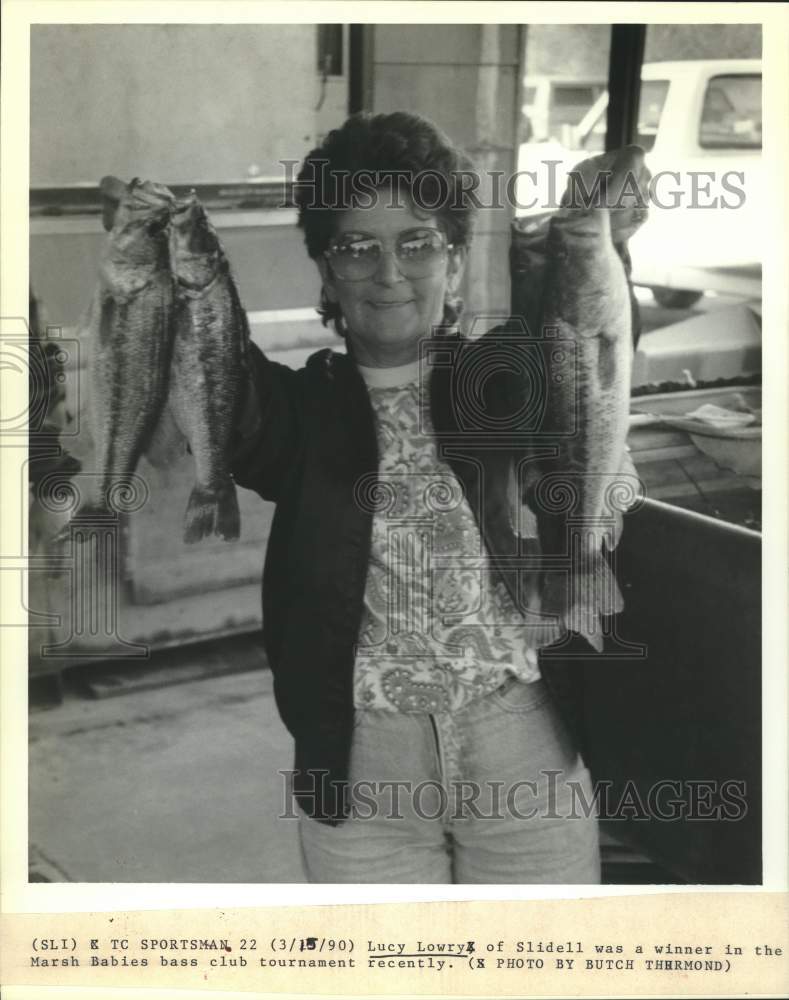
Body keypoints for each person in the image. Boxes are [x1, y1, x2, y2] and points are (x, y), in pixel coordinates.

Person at [230, 111, 639, 883]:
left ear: (454, 264)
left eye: (418, 242)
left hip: (521, 749)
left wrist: (606, 233)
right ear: (325, 271)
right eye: (357, 247)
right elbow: (207, 363)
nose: (390, 273)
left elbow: (589, 344)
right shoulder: (293, 413)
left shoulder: (505, 375)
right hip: (361, 776)